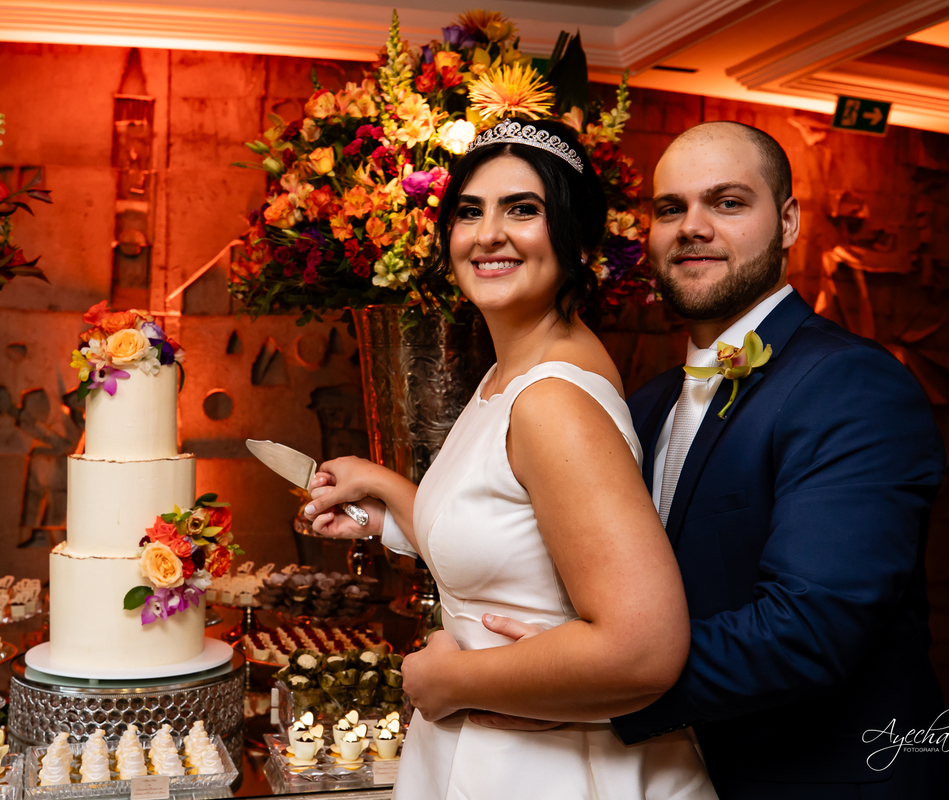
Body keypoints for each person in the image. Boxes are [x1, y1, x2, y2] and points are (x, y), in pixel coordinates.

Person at [414, 121, 949, 799]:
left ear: (788, 222)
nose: (692, 227)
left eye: (728, 203)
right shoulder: (645, 402)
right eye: (670, 208)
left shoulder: (852, 384)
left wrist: (569, 684)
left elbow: (810, 629)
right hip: (670, 773)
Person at [304, 118, 717, 799]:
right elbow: (518, 542)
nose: (488, 234)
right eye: (470, 212)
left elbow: (643, 649)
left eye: (522, 209)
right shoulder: (510, 373)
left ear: (576, 238)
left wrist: (449, 680)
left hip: (548, 768)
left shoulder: (552, 401)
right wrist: (387, 496)